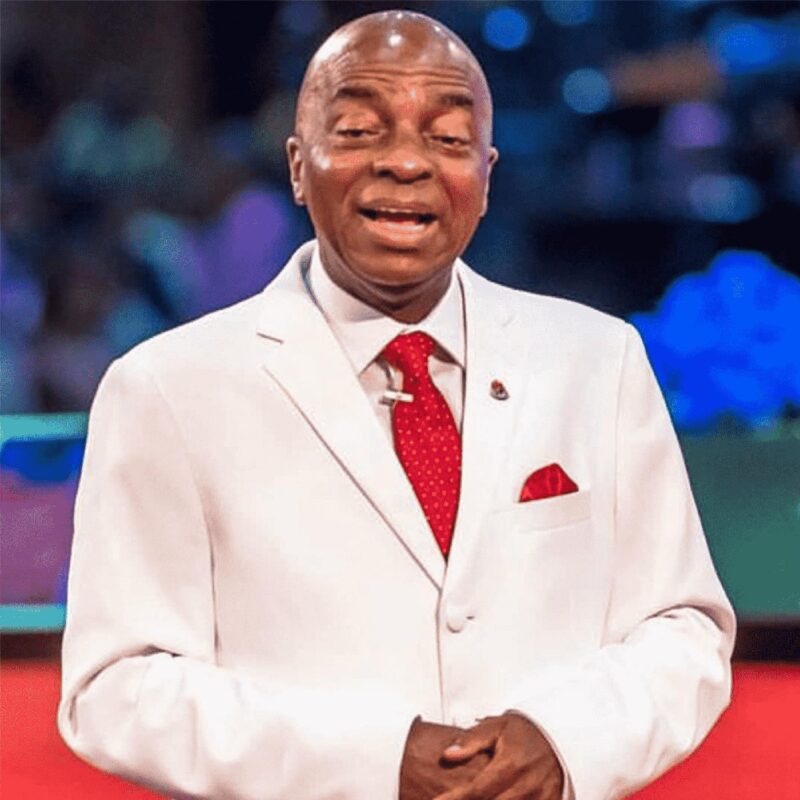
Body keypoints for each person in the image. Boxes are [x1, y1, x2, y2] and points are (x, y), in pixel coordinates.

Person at [58, 11, 735, 800]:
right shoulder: (166, 387)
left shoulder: (598, 360)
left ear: (486, 174)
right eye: (357, 131)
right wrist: (375, 762)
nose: (407, 162)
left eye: (447, 138)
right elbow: (118, 687)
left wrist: (564, 741)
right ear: (298, 166)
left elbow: (683, 628)